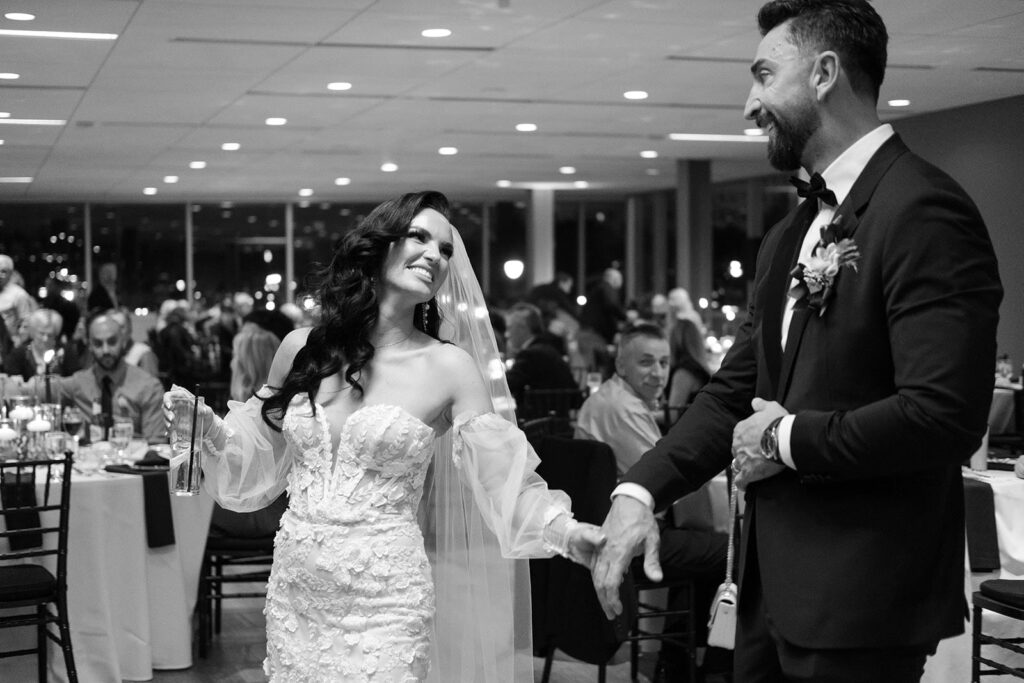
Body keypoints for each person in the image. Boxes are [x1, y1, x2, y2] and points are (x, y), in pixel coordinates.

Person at [591, 2, 1002, 681]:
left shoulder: (923, 210)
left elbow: (943, 415)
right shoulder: (791, 232)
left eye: (763, 75)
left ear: (824, 74)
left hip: (862, 596)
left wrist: (784, 439)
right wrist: (639, 493)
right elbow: (735, 390)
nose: (750, 106)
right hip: (765, 597)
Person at [162, 190, 605, 681]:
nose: (435, 255)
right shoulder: (301, 348)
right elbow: (260, 456)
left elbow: (504, 481)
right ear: (378, 246)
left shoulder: (448, 367)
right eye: (419, 236)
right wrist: (210, 430)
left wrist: (567, 532)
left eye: (446, 249)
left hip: (387, 599)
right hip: (296, 594)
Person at [574, 322, 728, 680]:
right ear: (621, 366)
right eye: (646, 363)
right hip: (624, 542)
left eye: (663, 363)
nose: (658, 373)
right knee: (729, 554)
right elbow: (671, 482)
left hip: (619, 530)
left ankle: (679, 661)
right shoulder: (621, 408)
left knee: (710, 551)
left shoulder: (617, 398)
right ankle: (708, 667)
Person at [7, 311, 166, 442]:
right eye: (98, 343)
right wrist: (9, 384)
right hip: (91, 468)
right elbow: (28, 390)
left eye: (112, 342)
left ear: (123, 342)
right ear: (89, 345)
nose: (105, 350)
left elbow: (157, 446)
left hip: (134, 470)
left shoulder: (148, 386)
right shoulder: (79, 382)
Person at [503, 301, 580, 410]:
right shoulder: (547, 348)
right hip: (557, 418)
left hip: (538, 423)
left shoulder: (530, 354)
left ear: (523, 328)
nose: (507, 334)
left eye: (509, 327)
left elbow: (505, 386)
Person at [2, 308, 81, 381]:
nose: (45, 339)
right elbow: (11, 379)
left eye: (50, 335)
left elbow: (75, 379)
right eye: (41, 334)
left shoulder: (66, 351)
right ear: (33, 332)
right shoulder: (19, 353)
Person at [107, 309, 161, 378]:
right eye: (112, 327)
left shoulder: (143, 354)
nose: (117, 331)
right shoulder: (105, 355)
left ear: (130, 328)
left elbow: (151, 386)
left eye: (121, 327)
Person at [0, 253, 37, 347]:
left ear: (11, 273)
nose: (0, 274)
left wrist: (19, 343)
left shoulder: (19, 294)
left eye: (3, 271)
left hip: (9, 343)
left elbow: (26, 322)